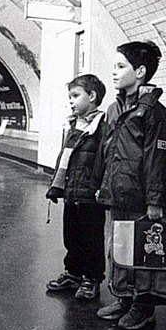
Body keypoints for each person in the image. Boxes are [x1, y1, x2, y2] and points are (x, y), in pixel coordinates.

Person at [95, 40, 166, 330]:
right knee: (117, 250)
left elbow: (159, 160)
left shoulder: (154, 114)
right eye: (114, 67)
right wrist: (101, 184)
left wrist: (156, 202)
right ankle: (124, 296)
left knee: (145, 254)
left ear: (140, 71)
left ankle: (144, 305)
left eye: (121, 66)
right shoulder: (114, 109)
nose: (115, 73)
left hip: (141, 198)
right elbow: (107, 152)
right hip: (116, 194)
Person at [45, 74, 107, 300]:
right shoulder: (73, 124)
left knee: (91, 237)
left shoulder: (102, 124)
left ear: (92, 96)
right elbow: (65, 158)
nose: (71, 101)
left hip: (90, 193)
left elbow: (104, 158)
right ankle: (73, 273)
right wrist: (56, 185)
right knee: (71, 235)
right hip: (72, 191)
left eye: (75, 95)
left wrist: (102, 187)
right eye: (69, 96)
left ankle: (91, 278)